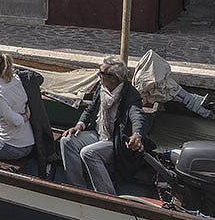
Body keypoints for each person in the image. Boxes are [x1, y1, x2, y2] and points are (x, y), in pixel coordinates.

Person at [59, 56, 150, 196]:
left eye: (101, 73)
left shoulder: (130, 94)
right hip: (98, 133)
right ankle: (77, 188)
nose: (98, 75)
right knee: (67, 140)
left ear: (113, 78)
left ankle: (106, 195)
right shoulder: (102, 88)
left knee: (88, 153)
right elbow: (90, 110)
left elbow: (137, 114)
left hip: (114, 141)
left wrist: (137, 134)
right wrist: (79, 125)